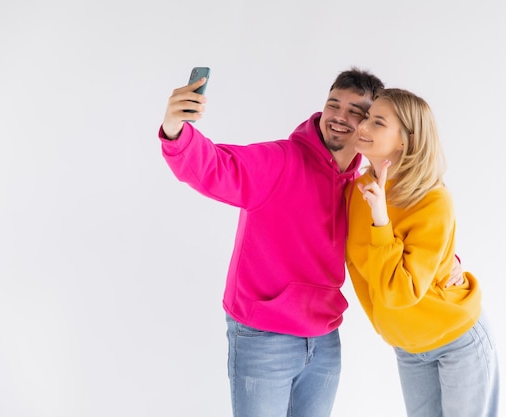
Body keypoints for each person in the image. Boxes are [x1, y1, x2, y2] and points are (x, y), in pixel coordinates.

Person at [158, 68, 384, 417]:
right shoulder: (281, 161)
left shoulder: (361, 186)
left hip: (325, 342)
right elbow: (217, 167)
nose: (339, 117)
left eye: (355, 111)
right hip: (264, 337)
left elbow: (399, 230)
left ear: (370, 125)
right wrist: (175, 130)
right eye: (333, 104)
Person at [345, 88, 500, 417]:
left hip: (456, 339)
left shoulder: (432, 200)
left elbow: (401, 290)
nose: (363, 127)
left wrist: (381, 219)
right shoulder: (355, 192)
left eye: (378, 122)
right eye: (368, 119)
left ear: (404, 141)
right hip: (408, 347)